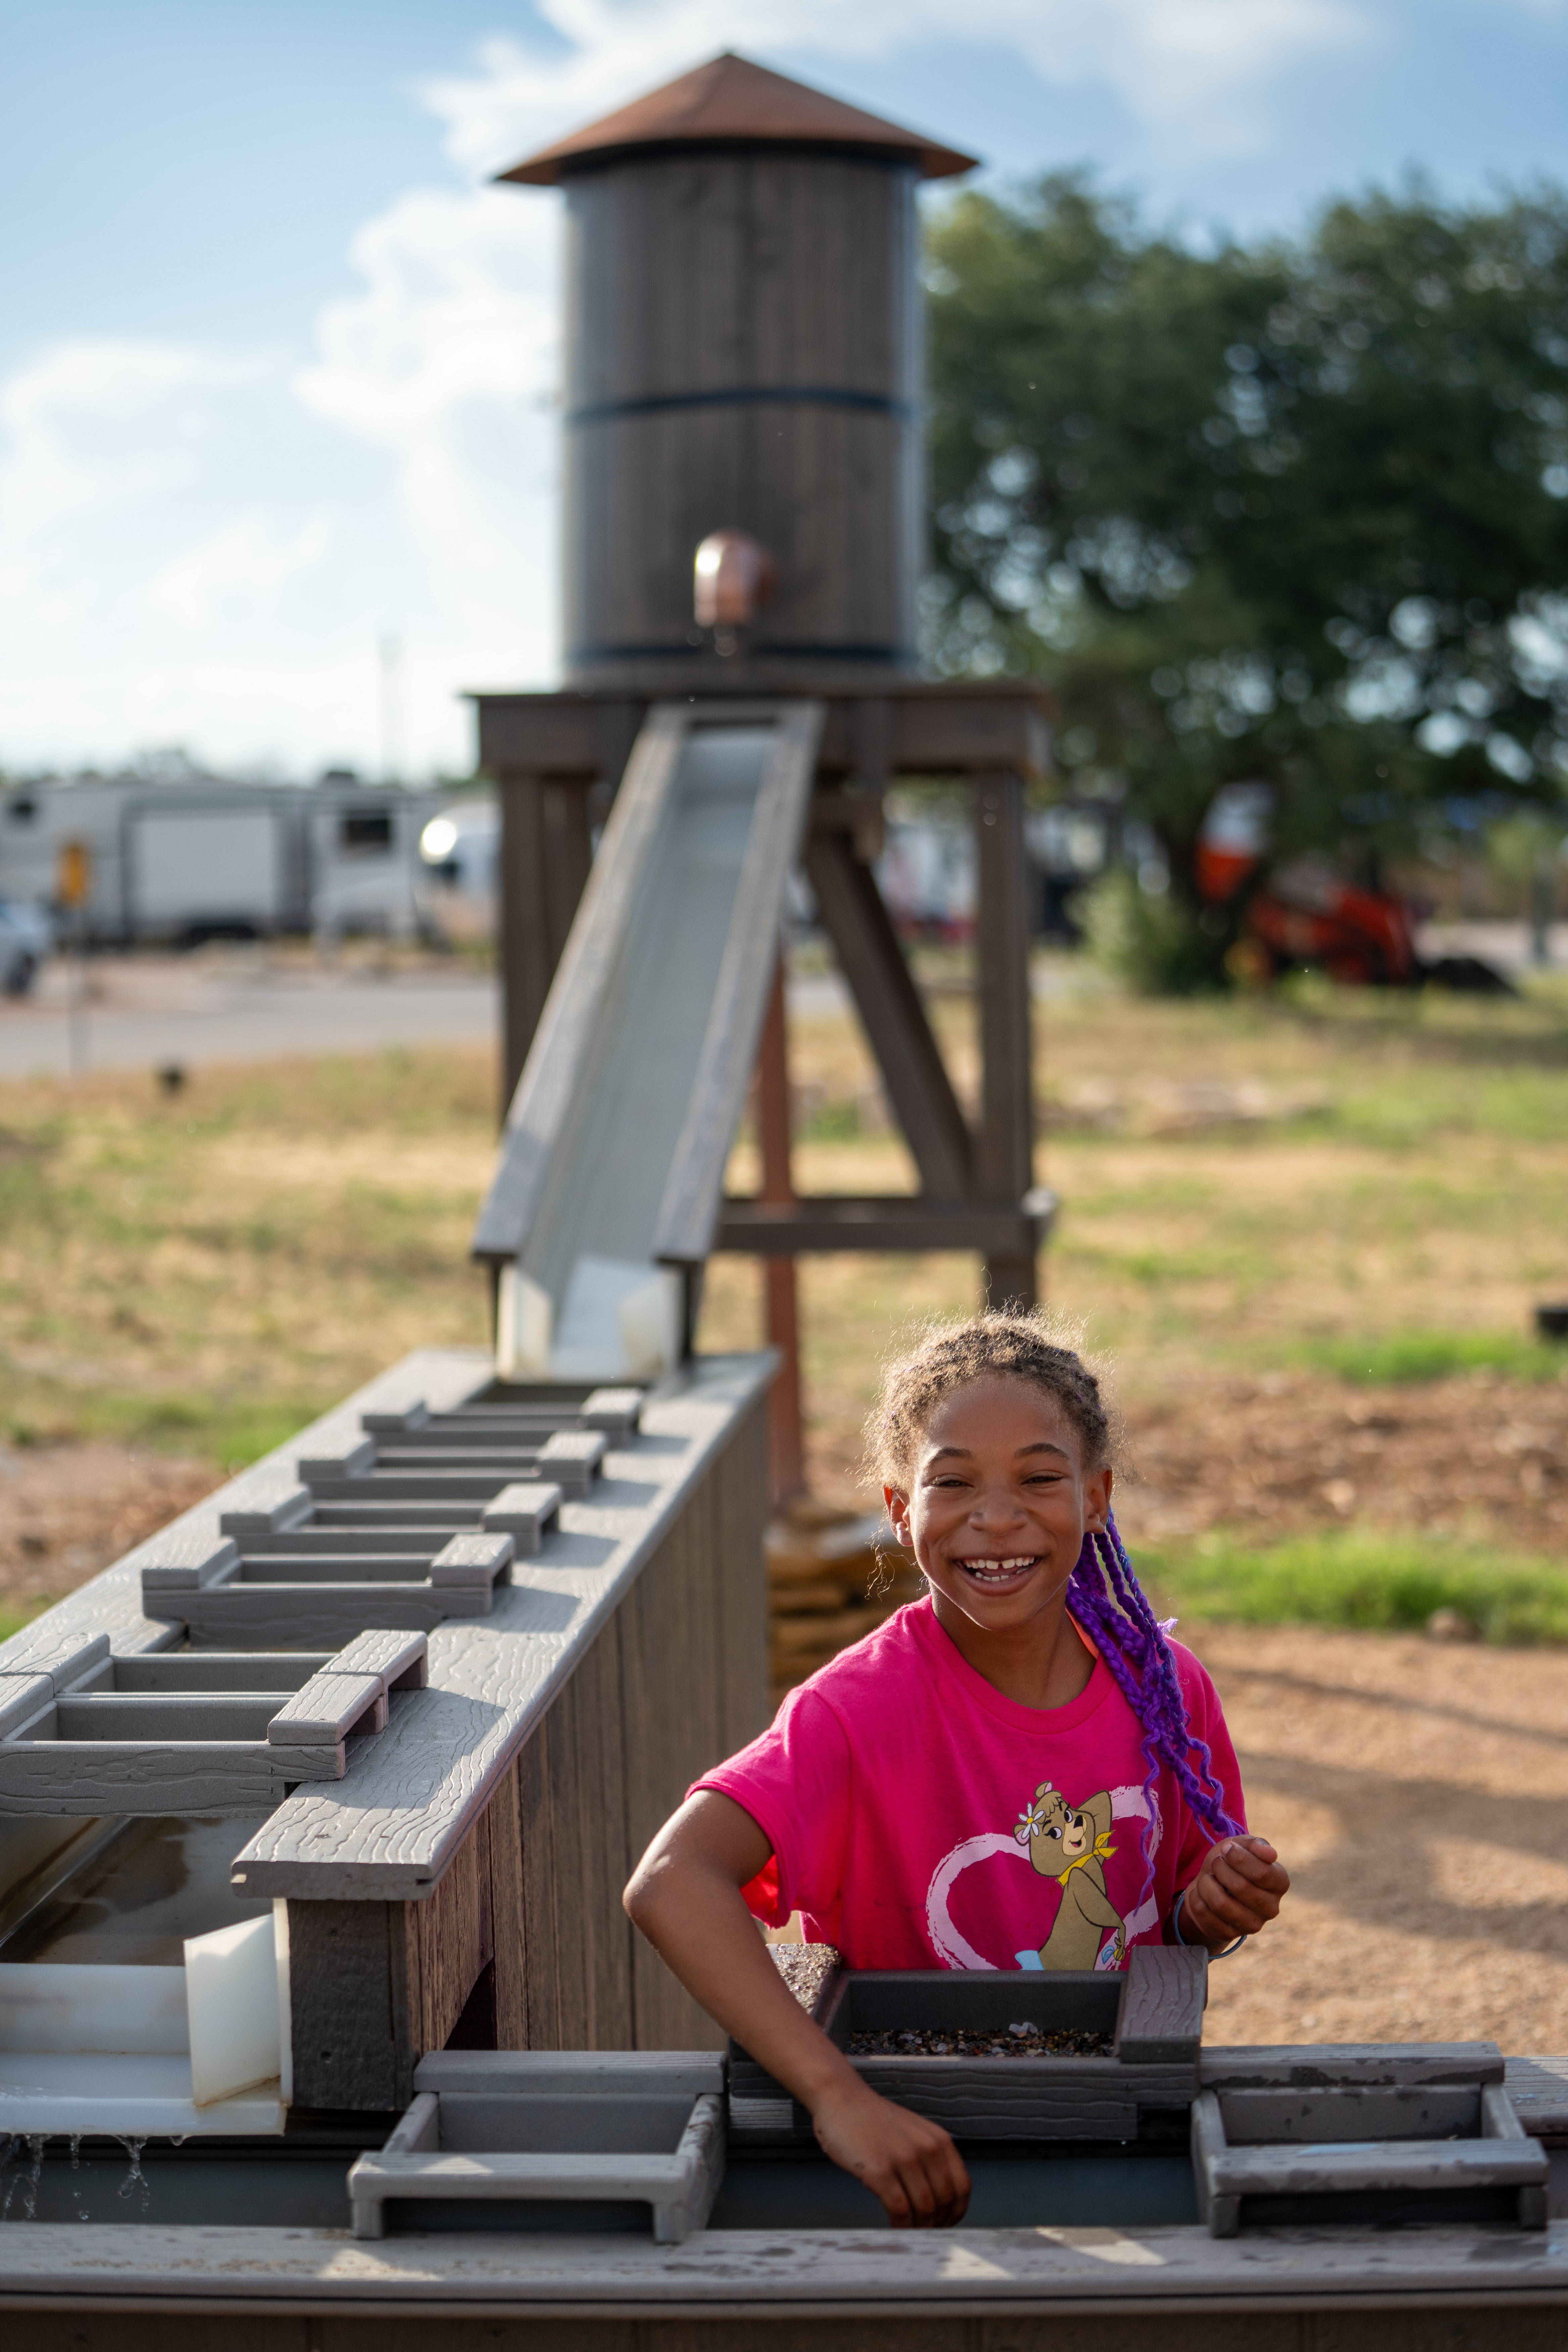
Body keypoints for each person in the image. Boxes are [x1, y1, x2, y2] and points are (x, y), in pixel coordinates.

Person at [624, 1311, 1289, 2229]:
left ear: (1096, 1498)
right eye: (955, 1483)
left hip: (1114, 2130)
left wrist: (1209, 1905)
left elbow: (1174, 1923)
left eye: (1040, 1478)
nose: (998, 1516)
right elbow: (670, 1881)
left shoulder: (1170, 1693)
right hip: (907, 2143)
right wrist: (837, 2098)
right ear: (901, 1512)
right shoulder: (851, 1712)